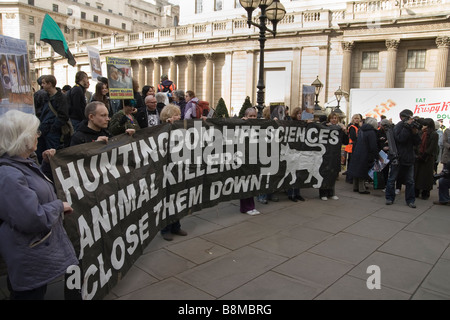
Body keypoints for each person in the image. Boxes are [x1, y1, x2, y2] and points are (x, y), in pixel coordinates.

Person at [0, 110, 78, 300]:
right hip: (29, 255)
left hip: (35, 252)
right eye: (35, 132)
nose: (38, 135)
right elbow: (31, 218)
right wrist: (59, 206)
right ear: (23, 137)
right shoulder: (9, 174)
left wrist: (44, 165)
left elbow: (34, 190)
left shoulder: (22, 163)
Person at [159, 104, 187, 241]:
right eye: (176, 115)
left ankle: (176, 225)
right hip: (166, 169)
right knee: (168, 199)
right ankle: (165, 229)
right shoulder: (161, 129)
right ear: (169, 116)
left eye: (179, 114)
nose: (179, 117)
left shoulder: (180, 127)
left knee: (177, 198)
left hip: (178, 167)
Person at [385, 109, 421, 208]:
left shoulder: (411, 127)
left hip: (409, 157)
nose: (409, 120)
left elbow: (418, 142)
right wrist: (406, 127)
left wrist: (414, 132)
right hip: (398, 156)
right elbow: (400, 139)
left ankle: (410, 200)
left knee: (410, 181)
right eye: (407, 117)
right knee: (392, 179)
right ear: (402, 117)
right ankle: (389, 198)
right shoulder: (399, 126)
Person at [36, 75, 70, 163]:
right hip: (44, 130)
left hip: (53, 133)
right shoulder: (45, 97)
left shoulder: (61, 98)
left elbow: (64, 116)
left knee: (53, 157)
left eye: (44, 83)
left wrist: (53, 128)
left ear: (50, 84)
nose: (42, 85)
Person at [348, 117, 379, 194]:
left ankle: (355, 187)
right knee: (362, 171)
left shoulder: (361, 130)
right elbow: (373, 146)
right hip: (366, 153)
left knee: (356, 170)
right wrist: (376, 155)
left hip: (357, 151)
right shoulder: (371, 132)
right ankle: (362, 188)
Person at [319, 112, 347, 200]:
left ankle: (331, 192)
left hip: (335, 154)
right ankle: (323, 193)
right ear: (329, 119)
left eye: (335, 118)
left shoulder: (339, 129)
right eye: (332, 118)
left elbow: (346, 141)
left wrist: (345, 131)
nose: (334, 120)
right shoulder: (325, 126)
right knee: (325, 174)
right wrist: (325, 124)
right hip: (326, 154)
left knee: (333, 174)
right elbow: (320, 126)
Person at [240, 107, 261, 215]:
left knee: (251, 183)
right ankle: (246, 207)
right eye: (250, 116)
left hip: (253, 158)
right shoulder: (241, 125)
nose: (253, 118)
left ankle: (251, 206)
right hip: (243, 159)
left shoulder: (258, 125)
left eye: (254, 116)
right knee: (245, 182)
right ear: (246, 116)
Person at [414, 118, 439, 200]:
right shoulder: (421, 132)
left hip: (427, 158)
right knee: (417, 176)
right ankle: (416, 191)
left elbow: (432, 147)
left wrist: (424, 155)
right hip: (419, 156)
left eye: (425, 125)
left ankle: (425, 192)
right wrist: (418, 154)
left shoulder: (434, 134)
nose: (424, 126)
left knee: (426, 177)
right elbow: (418, 143)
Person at [285, 107, 306, 202]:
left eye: (301, 113)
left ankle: (297, 193)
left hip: (300, 152)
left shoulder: (304, 124)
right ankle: (291, 194)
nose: (300, 115)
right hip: (292, 152)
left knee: (299, 173)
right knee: (292, 173)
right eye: (298, 113)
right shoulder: (290, 122)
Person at [344, 114, 362, 183]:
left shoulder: (357, 127)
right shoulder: (352, 127)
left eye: (358, 118)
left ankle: (350, 178)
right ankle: (349, 178)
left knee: (352, 162)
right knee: (351, 162)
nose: (357, 120)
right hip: (352, 147)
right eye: (355, 118)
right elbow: (353, 137)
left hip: (354, 146)